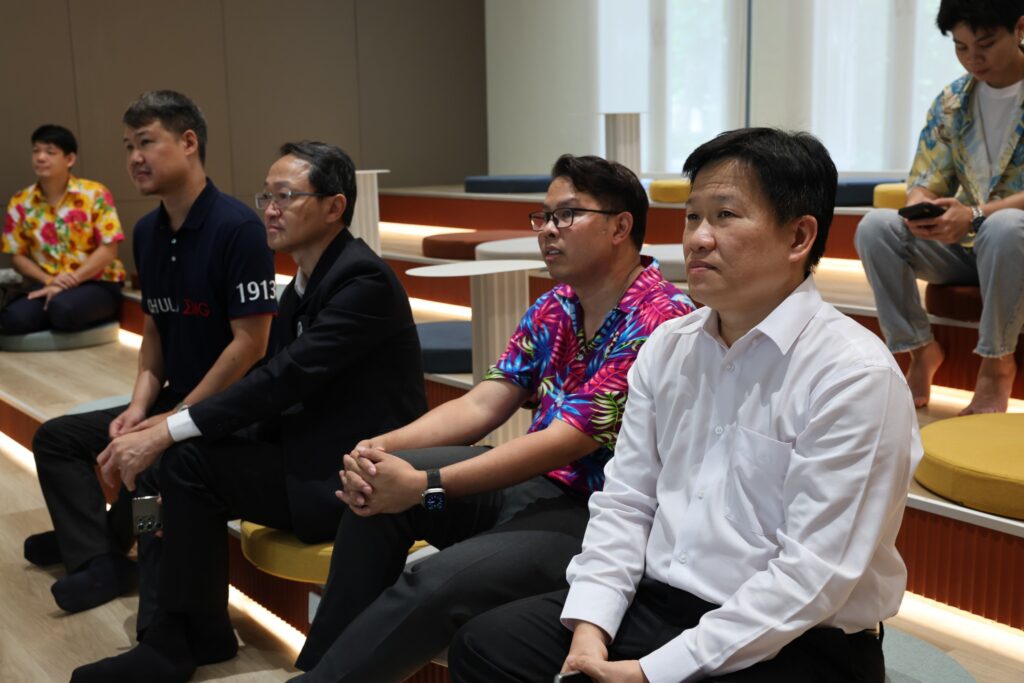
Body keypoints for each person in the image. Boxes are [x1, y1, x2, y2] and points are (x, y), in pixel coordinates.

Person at [449, 128, 923, 683]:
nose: (698, 238)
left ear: (799, 237)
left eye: (725, 216)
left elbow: (811, 577)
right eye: (693, 216)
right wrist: (590, 629)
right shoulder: (668, 346)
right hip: (661, 603)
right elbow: (626, 502)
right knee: (487, 645)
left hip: (800, 639)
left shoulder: (853, 375)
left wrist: (649, 672)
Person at [292, 154, 694, 682]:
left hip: (600, 515)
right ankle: (319, 672)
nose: (547, 230)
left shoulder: (661, 317)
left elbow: (565, 440)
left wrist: (426, 485)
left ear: (621, 227)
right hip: (535, 487)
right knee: (376, 492)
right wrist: (381, 448)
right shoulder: (557, 304)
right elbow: (483, 403)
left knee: (433, 582)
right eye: (543, 216)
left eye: (567, 215)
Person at [70, 141, 428, 683]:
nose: (270, 209)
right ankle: (170, 627)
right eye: (266, 197)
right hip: (305, 451)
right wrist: (168, 430)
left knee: (181, 460)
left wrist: (170, 428)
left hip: (349, 476)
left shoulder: (363, 281)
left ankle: (177, 637)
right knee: (161, 472)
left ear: (334, 206)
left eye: (286, 196)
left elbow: (279, 380)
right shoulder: (303, 285)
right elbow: (274, 393)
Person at [23, 91, 277, 617]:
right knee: (58, 439)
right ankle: (98, 554)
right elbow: (156, 332)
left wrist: (173, 420)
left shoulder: (238, 229)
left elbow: (252, 345)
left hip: (230, 410)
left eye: (145, 142)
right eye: (127, 146)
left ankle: (123, 541)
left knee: (152, 463)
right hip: (172, 399)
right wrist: (139, 408)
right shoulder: (147, 232)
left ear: (188, 143)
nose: (134, 157)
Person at [855, 0, 1024, 415]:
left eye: (985, 44)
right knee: (876, 227)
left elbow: (996, 221)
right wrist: (922, 209)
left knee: (1005, 226)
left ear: (1020, 28)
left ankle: (996, 365)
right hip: (968, 244)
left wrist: (977, 214)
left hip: (1013, 242)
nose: (973, 58)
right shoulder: (953, 100)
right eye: (961, 47)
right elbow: (927, 178)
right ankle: (920, 349)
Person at [1, 124, 125, 333]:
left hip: (95, 282)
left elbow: (109, 249)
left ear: (70, 159)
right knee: (12, 319)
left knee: (63, 310)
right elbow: (16, 256)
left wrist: (69, 281)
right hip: (46, 283)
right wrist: (49, 281)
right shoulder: (21, 201)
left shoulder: (95, 193)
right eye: (36, 151)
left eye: (50, 152)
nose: (40, 157)